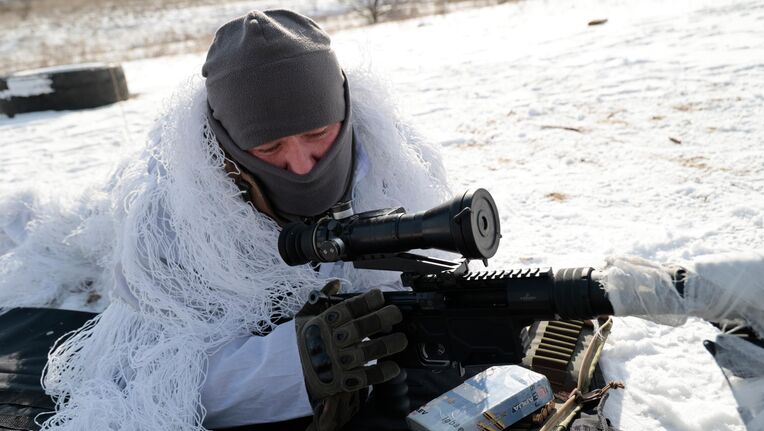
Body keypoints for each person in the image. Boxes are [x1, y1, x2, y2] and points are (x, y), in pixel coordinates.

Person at [38, 8, 453, 431]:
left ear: (345, 112)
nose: (301, 164)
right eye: (269, 148)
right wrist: (301, 363)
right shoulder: (174, 223)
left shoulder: (395, 166)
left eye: (317, 134)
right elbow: (149, 383)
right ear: (227, 147)